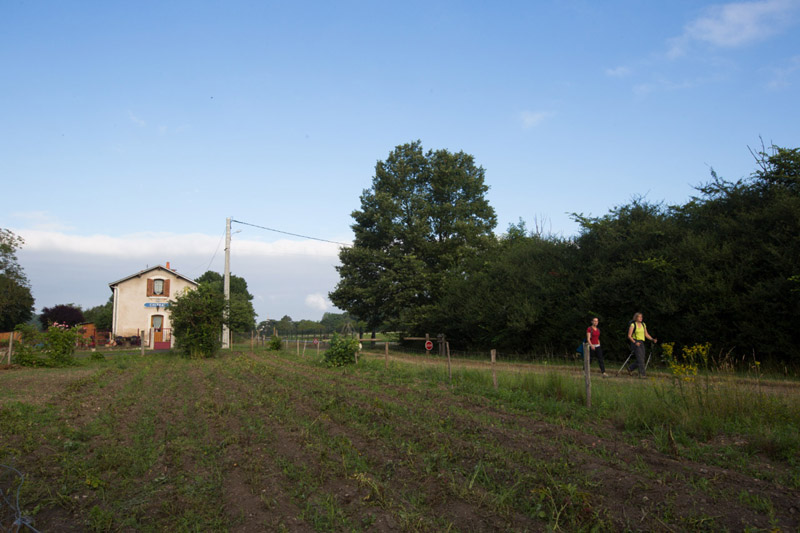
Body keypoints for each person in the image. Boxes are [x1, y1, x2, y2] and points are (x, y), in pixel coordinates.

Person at [627, 312, 656, 377]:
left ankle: (630, 368)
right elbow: (629, 336)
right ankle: (642, 374)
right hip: (635, 342)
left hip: (641, 342)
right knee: (640, 359)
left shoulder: (643, 324)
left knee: (642, 358)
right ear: (636, 317)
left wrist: (652, 339)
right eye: (639, 317)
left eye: (641, 317)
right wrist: (635, 342)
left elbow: (646, 334)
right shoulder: (633, 325)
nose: (641, 318)